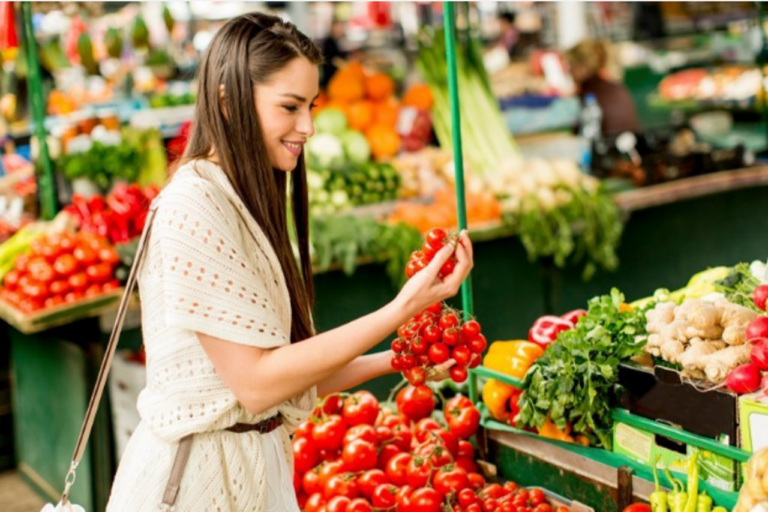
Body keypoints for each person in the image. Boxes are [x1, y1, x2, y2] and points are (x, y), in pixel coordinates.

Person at [106, 12, 472, 512]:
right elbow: (256, 385)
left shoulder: (238, 198)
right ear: (227, 101)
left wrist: (401, 360)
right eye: (290, 107)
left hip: (251, 471)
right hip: (195, 485)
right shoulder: (193, 206)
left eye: (311, 106)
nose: (309, 126)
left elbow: (284, 378)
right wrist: (401, 309)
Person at [565, 39, 640, 136]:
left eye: (571, 66)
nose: (569, 72)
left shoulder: (588, 96)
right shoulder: (616, 87)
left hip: (607, 149)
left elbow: (580, 133)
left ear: (583, 68)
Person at [318, 18, 347, 89]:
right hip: (330, 80)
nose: (340, 30)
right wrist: (347, 67)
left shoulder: (337, 41)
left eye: (341, 28)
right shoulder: (329, 43)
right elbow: (334, 60)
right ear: (333, 28)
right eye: (338, 27)